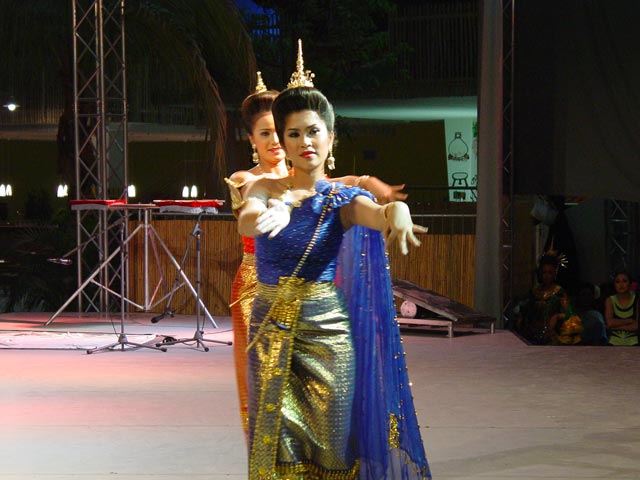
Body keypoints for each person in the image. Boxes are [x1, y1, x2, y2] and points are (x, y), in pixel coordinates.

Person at [237, 65, 431, 477]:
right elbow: (248, 221)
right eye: (294, 134)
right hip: (270, 328)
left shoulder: (342, 199)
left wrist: (396, 210)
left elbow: (376, 214)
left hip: (327, 331)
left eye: (313, 131)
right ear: (283, 142)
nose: (305, 142)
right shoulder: (263, 189)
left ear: (330, 138)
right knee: (275, 443)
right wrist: (276, 209)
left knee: (333, 445)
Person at [518, 251, 566, 345]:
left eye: (550, 273)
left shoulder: (559, 292)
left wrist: (556, 317)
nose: (547, 276)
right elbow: (525, 311)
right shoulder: (534, 291)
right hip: (533, 334)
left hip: (552, 336)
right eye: (544, 272)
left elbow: (569, 314)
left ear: (554, 274)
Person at [604, 271, 638, 346]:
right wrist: (630, 320)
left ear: (630, 283)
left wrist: (614, 327)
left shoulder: (637, 299)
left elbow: (636, 326)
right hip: (613, 342)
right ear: (614, 284)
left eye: (624, 281)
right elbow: (610, 323)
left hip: (634, 343)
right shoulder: (610, 300)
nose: (621, 285)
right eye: (617, 282)